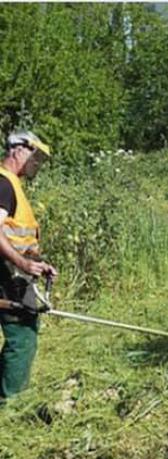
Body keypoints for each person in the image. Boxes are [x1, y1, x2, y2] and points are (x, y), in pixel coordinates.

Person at [0, 131, 58, 399]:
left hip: (16, 273)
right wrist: (23, 262)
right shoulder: (4, 184)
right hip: (7, 277)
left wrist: (37, 262)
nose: (37, 164)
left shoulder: (12, 185)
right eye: (34, 156)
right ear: (17, 150)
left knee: (23, 335)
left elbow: (17, 236)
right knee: (21, 338)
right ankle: (12, 402)